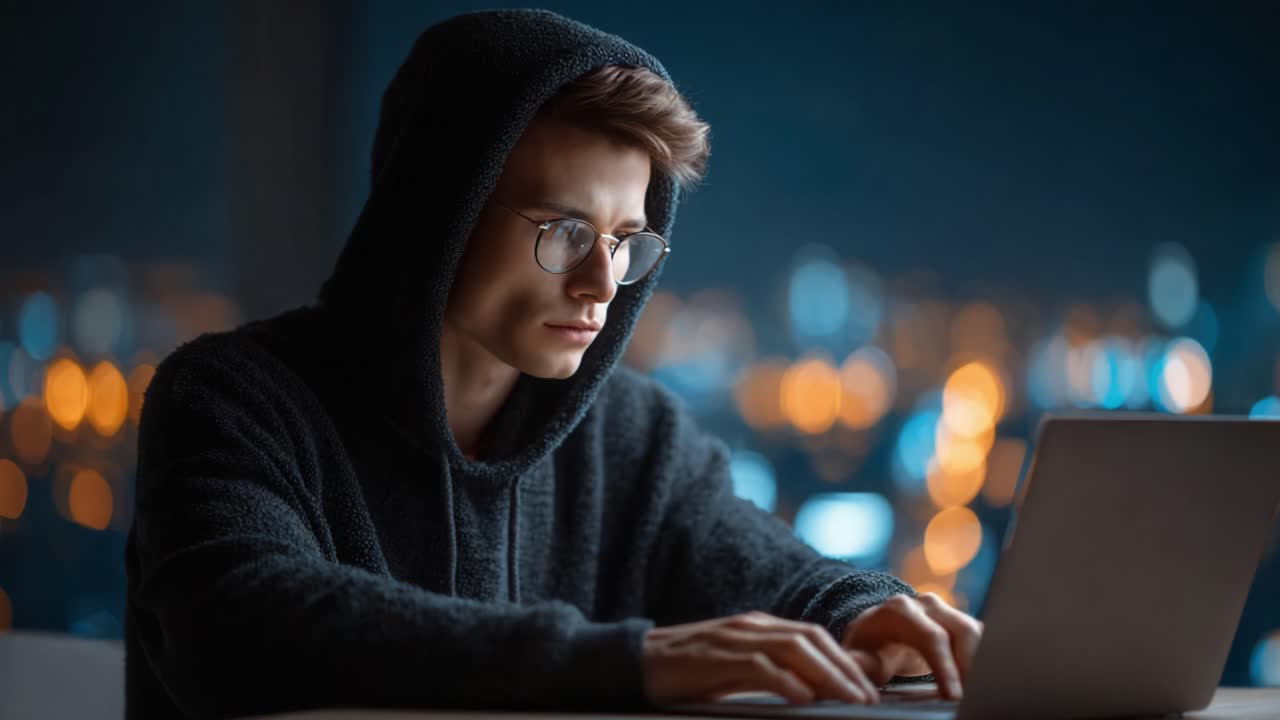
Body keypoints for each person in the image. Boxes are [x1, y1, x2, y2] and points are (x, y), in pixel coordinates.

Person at [124, 8, 983, 719]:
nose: (600, 282)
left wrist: (863, 611)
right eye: (564, 231)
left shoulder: (634, 434)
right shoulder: (231, 399)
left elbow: (766, 568)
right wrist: (630, 662)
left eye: (625, 240)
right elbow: (241, 623)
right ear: (437, 216)